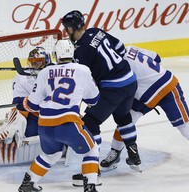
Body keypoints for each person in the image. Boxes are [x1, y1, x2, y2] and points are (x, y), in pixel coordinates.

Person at [61, 10, 141, 186]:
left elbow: (82, 79)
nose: (66, 32)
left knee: (90, 123)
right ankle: (133, 154)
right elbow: (120, 47)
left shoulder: (81, 52)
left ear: (72, 28)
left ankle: (93, 170)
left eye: (67, 29)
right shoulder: (96, 31)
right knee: (122, 116)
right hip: (130, 80)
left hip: (113, 89)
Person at [100, 45, 189, 171]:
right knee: (125, 121)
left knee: (186, 126)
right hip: (147, 93)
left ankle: (116, 152)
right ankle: (115, 153)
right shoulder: (130, 48)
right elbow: (156, 57)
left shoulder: (115, 65)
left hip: (166, 89)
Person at [18, 39, 101, 192]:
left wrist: (25, 102)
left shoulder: (44, 72)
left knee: (51, 155)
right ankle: (90, 186)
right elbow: (94, 100)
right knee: (92, 149)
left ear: (55, 55)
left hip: (44, 125)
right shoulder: (83, 70)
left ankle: (28, 182)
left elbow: (33, 105)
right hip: (68, 122)